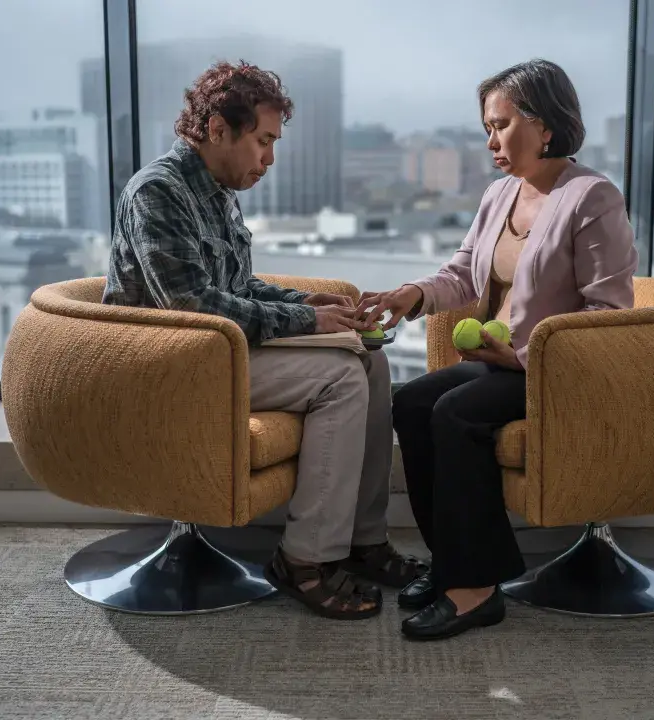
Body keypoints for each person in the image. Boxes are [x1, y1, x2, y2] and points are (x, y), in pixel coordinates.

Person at [103, 60, 425, 620]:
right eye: (263, 141)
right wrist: (307, 325)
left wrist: (308, 304)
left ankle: (361, 540)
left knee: (369, 362)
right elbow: (191, 307)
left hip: (216, 355)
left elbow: (235, 287)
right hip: (168, 366)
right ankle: (304, 560)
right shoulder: (156, 192)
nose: (270, 159)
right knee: (341, 377)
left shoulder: (218, 191)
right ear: (217, 129)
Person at [358, 59, 639, 640]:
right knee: (411, 404)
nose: (490, 140)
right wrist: (413, 294)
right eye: (486, 127)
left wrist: (527, 354)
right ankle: (452, 564)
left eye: (501, 124)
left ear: (544, 124)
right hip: (498, 360)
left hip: (557, 367)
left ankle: (475, 590)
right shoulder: (499, 194)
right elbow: (463, 274)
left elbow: (610, 312)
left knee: (455, 413)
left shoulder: (593, 197)